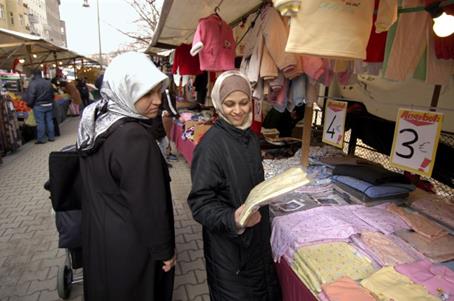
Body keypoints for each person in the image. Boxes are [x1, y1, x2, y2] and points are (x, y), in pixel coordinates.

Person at [77, 52, 176, 301]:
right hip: (131, 247)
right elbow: (149, 205)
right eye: (146, 94)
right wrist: (165, 250)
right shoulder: (134, 138)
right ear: (124, 90)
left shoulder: (96, 122)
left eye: (158, 92)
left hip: (100, 239)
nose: (157, 101)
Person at [187, 70, 281, 300]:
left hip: (255, 244)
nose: (238, 111)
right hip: (230, 257)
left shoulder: (248, 137)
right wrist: (233, 219)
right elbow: (200, 203)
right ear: (219, 104)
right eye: (230, 104)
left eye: (244, 102)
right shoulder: (211, 146)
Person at [24, 69, 55, 144]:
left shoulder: (33, 83)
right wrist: (51, 102)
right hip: (49, 104)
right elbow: (52, 93)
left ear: (33, 75)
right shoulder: (48, 82)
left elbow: (31, 95)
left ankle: (41, 139)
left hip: (39, 105)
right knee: (49, 121)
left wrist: (29, 104)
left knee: (40, 122)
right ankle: (51, 137)